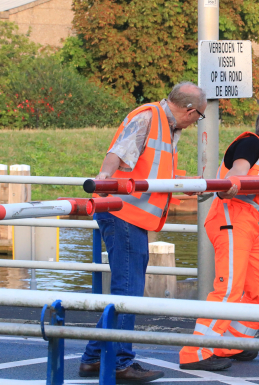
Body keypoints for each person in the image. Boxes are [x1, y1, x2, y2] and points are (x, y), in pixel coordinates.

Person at [79, 82, 207, 383]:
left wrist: (189, 184)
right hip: (122, 211)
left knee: (128, 289)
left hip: (131, 215)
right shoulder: (149, 117)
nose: (196, 121)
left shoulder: (166, 126)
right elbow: (117, 153)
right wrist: (104, 177)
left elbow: (154, 173)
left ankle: (94, 358)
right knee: (128, 291)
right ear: (189, 110)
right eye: (199, 115)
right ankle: (121, 362)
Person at [179, 108, 259, 371]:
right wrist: (233, 184)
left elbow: (242, 177)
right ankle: (195, 352)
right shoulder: (252, 142)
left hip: (244, 225)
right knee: (228, 290)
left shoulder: (257, 149)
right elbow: (237, 173)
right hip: (231, 222)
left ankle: (228, 344)